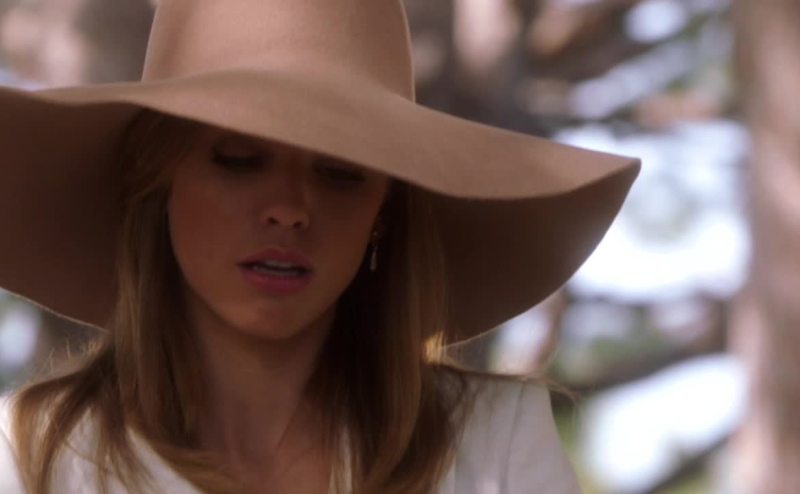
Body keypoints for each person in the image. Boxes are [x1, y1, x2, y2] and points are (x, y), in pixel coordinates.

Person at [0, 0, 640, 492]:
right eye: (240, 159)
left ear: (382, 212)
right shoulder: (30, 454)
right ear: (157, 179)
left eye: (340, 174)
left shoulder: (492, 443)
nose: (288, 209)